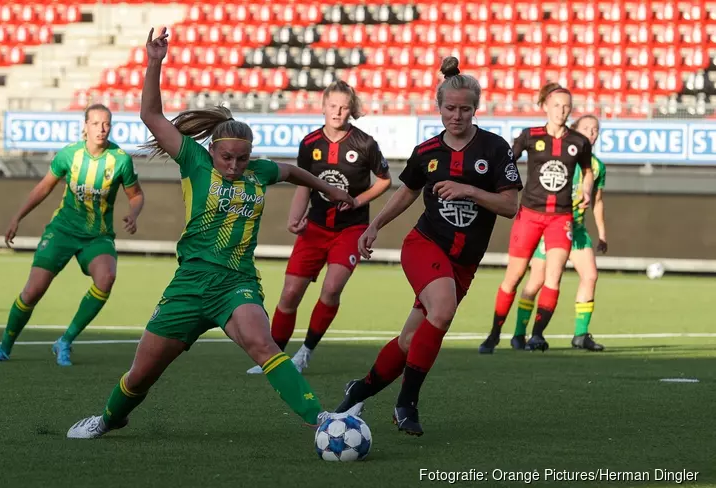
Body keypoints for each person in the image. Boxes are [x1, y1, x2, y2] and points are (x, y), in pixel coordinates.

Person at [67, 27, 361, 439]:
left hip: (235, 282)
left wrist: (331, 190)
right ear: (213, 149)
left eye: (243, 158)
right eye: (228, 157)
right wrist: (155, 62)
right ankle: (109, 419)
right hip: (189, 284)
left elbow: (293, 171)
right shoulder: (194, 160)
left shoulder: (259, 171)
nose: (236, 165)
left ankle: (322, 420)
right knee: (140, 375)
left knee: (264, 346)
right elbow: (151, 116)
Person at [333, 56, 523, 436]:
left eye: (465, 109)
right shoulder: (427, 152)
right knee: (443, 308)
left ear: (475, 109)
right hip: (424, 245)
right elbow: (407, 193)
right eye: (450, 108)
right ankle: (406, 404)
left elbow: (511, 205)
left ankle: (360, 389)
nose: (457, 116)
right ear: (439, 108)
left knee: (409, 340)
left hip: (463, 262)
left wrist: (469, 189)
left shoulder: (494, 148)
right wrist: (374, 224)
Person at [246, 80, 391, 375]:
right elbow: (303, 185)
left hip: (350, 229)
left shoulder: (365, 144)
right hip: (315, 227)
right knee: (289, 294)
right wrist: (294, 218)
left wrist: (358, 200)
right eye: (333, 106)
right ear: (323, 106)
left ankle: (305, 352)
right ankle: (272, 358)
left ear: (351, 110)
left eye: (344, 107)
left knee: (332, 288)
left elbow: (385, 181)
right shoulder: (310, 144)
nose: (338, 112)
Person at [0, 103, 145, 367]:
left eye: (106, 124)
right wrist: (17, 217)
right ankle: (4, 347)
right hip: (62, 231)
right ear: (84, 127)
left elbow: (136, 194)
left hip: (97, 236)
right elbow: (43, 188)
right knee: (33, 291)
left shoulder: (120, 160)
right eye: (95, 123)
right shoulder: (69, 155)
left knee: (107, 278)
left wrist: (134, 213)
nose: (101, 129)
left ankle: (65, 341)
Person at [478, 82, 595, 354]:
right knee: (514, 277)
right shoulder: (530, 135)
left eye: (566, 106)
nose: (561, 111)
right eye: (556, 105)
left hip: (560, 218)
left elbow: (588, 171)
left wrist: (586, 189)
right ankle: (494, 334)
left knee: (552, 279)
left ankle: (537, 336)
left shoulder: (579, 142)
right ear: (545, 107)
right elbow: (508, 159)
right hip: (529, 214)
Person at [513, 115, 607, 351]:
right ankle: (519, 333)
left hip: (576, 228)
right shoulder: (564, 155)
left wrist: (603, 234)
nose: (592, 134)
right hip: (551, 224)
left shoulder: (596, 166)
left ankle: (580, 334)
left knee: (590, 275)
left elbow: (597, 201)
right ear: (574, 131)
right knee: (536, 281)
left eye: (595, 130)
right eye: (587, 129)